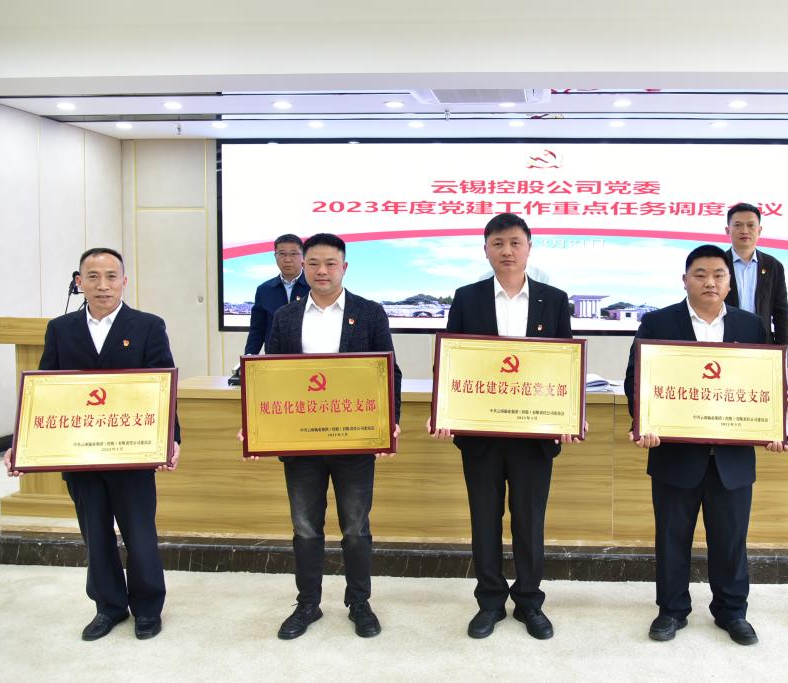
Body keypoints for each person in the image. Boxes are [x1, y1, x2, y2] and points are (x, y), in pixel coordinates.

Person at [4, 247, 180, 641]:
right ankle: (109, 607)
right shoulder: (60, 329)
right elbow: (43, 392)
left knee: (140, 534)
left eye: (111, 276)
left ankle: (147, 609)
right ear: (79, 282)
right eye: (94, 277)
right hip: (80, 453)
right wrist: (21, 443)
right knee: (95, 536)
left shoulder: (148, 325)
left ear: (124, 281)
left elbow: (163, 385)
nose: (103, 285)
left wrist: (172, 438)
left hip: (132, 452)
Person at [624, 244, 788, 645]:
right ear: (685, 280)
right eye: (700, 274)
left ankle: (732, 612)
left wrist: (776, 425)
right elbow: (636, 379)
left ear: (730, 283)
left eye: (718, 274)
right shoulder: (658, 322)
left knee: (731, 542)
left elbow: (768, 383)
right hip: (675, 454)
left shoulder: (751, 326)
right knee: (671, 539)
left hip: (732, 459)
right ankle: (671, 610)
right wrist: (643, 421)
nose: (709, 282)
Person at [429, 213, 578, 641]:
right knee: (484, 520)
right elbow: (451, 361)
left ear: (529, 248)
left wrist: (569, 415)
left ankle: (529, 601)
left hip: (534, 436)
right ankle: (490, 602)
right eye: (498, 244)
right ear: (486, 250)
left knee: (530, 522)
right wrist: (443, 411)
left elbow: (565, 363)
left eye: (515, 243)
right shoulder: (467, 298)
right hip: (481, 436)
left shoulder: (554, 299)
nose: (507, 251)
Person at [250, 232, 402, 640]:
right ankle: (308, 604)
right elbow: (270, 376)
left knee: (356, 528)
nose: (322, 271)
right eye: (314, 263)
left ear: (344, 267)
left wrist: (390, 421)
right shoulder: (285, 317)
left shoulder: (369, 313)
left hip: (354, 441)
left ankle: (359, 602)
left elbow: (389, 371)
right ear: (303, 266)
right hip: (302, 444)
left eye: (330, 263)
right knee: (305, 528)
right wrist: (258, 424)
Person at [723, 202, 788, 345]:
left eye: (751, 225)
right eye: (738, 225)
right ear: (727, 230)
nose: (744, 231)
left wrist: (783, 351)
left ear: (759, 230)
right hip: (724, 343)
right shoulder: (718, 263)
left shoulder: (773, 266)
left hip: (762, 345)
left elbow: (781, 314)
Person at [244, 234, 310, 355]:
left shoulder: (314, 287)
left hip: (307, 357)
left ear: (303, 257)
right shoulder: (264, 290)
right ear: (275, 256)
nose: (288, 259)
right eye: (282, 254)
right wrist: (248, 357)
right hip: (274, 357)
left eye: (294, 254)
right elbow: (257, 329)